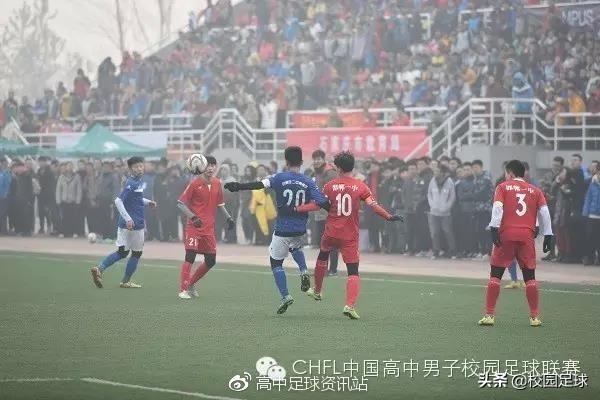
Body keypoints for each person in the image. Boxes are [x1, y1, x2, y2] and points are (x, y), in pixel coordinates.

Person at [297, 151, 403, 320]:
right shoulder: (361, 186)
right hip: (349, 235)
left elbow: (317, 205)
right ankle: (349, 305)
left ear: (338, 168)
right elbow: (373, 206)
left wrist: (298, 208)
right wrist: (389, 216)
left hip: (331, 232)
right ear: (352, 167)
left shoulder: (329, 186)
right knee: (353, 271)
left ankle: (317, 291)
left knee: (323, 256)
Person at [225, 146, 328, 314]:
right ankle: (303, 270)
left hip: (282, 228)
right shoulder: (309, 181)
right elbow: (321, 201)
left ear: (286, 162)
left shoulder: (279, 178)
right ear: (301, 162)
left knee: (276, 262)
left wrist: (238, 186)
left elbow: (259, 184)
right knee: (296, 247)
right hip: (300, 228)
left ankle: (285, 296)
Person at [479, 160, 554, 327]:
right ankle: (534, 317)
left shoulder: (503, 187)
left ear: (510, 173)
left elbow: (498, 207)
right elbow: (544, 212)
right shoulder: (535, 190)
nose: (505, 176)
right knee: (530, 278)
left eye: (506, 173)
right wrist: (548, 234)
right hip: (527, 236)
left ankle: (489, 315)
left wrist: (494, 227)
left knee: (495, 275)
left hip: (506, 234)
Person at [91, 157, 157, 289]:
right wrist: (128, 219)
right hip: (134, 224)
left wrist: (147, 202)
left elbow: (135, 199)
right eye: (136, 167)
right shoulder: (132, 183)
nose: (140, 169)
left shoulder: (134, 181)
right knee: (136, 253)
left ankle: (100, 269)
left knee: (122, 252)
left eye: (141, 166)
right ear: (131, 169)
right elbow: (118, 201)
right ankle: (125, 281)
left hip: (125, 224)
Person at [176, 156, 234, 299]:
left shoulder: (217, 183)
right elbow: (180, 203)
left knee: (211, 260)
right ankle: (183, 290)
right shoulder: (194, 183)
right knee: (190, 256)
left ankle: (190, 284)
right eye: (208, 165)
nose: (211, 168)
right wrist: (193, 217)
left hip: (208, 228)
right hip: (194, 227)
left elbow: (220, 204)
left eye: (213, 165)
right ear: (201, 167)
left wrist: (229, 218)